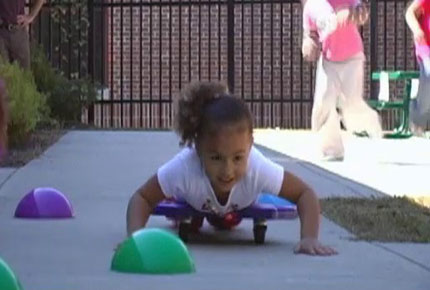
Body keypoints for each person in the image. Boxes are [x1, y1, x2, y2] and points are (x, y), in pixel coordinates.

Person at [126, 81, 337, 256]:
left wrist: (309, 238)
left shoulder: (257, 167)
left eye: (238, 157)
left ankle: (217, 217)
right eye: (216, 157)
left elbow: (304, 193)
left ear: (250, 144)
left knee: (226, 221)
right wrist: (136, 241)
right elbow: (142, 198)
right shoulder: (183, 169)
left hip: (240, 204)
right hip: (194, 200)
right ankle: (194, 216)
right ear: (198, 148)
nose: (227, 170)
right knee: (190, 208)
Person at [302, 0, 382, 160]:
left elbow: (362, 13)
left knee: (351, 104)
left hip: (352, 58)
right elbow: (310, 32)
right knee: (324, 102)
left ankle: (370, 121)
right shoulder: (311, 6)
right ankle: (331, 149)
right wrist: (308, 42)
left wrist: (353, 13)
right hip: (329, 60)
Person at [405, 0, 430, 136]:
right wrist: (416, 29)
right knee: (429, 72)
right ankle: (417, 115)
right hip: (425, 45)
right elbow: (409, 13)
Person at [0, 0, 45, 69]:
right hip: (1, 32)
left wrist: (31, 16)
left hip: (18, 31)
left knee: (24, 73)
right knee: (3, 73)